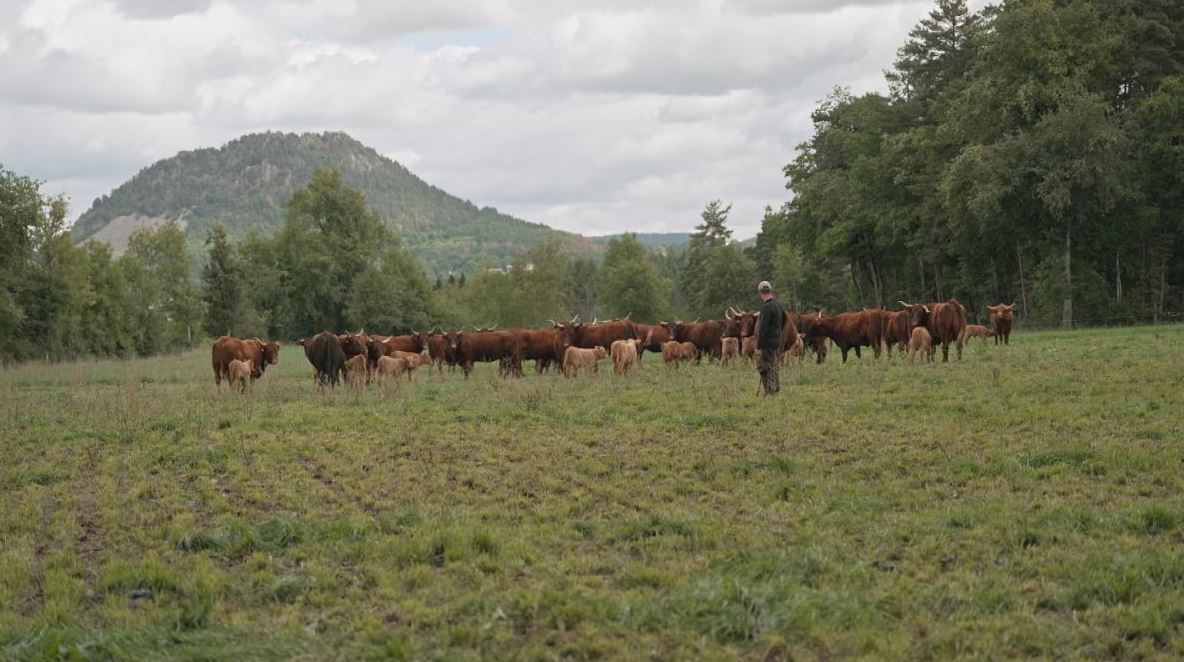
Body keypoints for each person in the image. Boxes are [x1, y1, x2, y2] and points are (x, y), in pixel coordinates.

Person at [754, 280, 784, 395]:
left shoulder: (766, 307)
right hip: (776, 341)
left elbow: (763, 328)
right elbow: (784, 320)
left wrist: (759, 346)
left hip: (766, 343)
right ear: (770, 290)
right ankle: (774, 389)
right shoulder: (777, 304)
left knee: (763, 366)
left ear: (761, 292)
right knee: (773, 365)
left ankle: (770, 391)